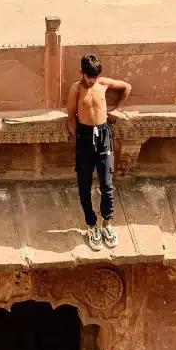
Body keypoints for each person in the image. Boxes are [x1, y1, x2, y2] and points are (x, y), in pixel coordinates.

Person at [67, 55, 132, 251]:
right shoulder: (76, 89)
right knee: (84, 184)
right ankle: (92, 225)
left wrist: (118, 110)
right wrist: (78, 141)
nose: (92, 80)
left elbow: (127, 87)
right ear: (81, 73)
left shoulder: (103, 83)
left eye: (95, 77)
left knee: (107, 183)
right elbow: (71, 117)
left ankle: (107, 224)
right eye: (89, 77)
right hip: (85, 138)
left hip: (104, 134)